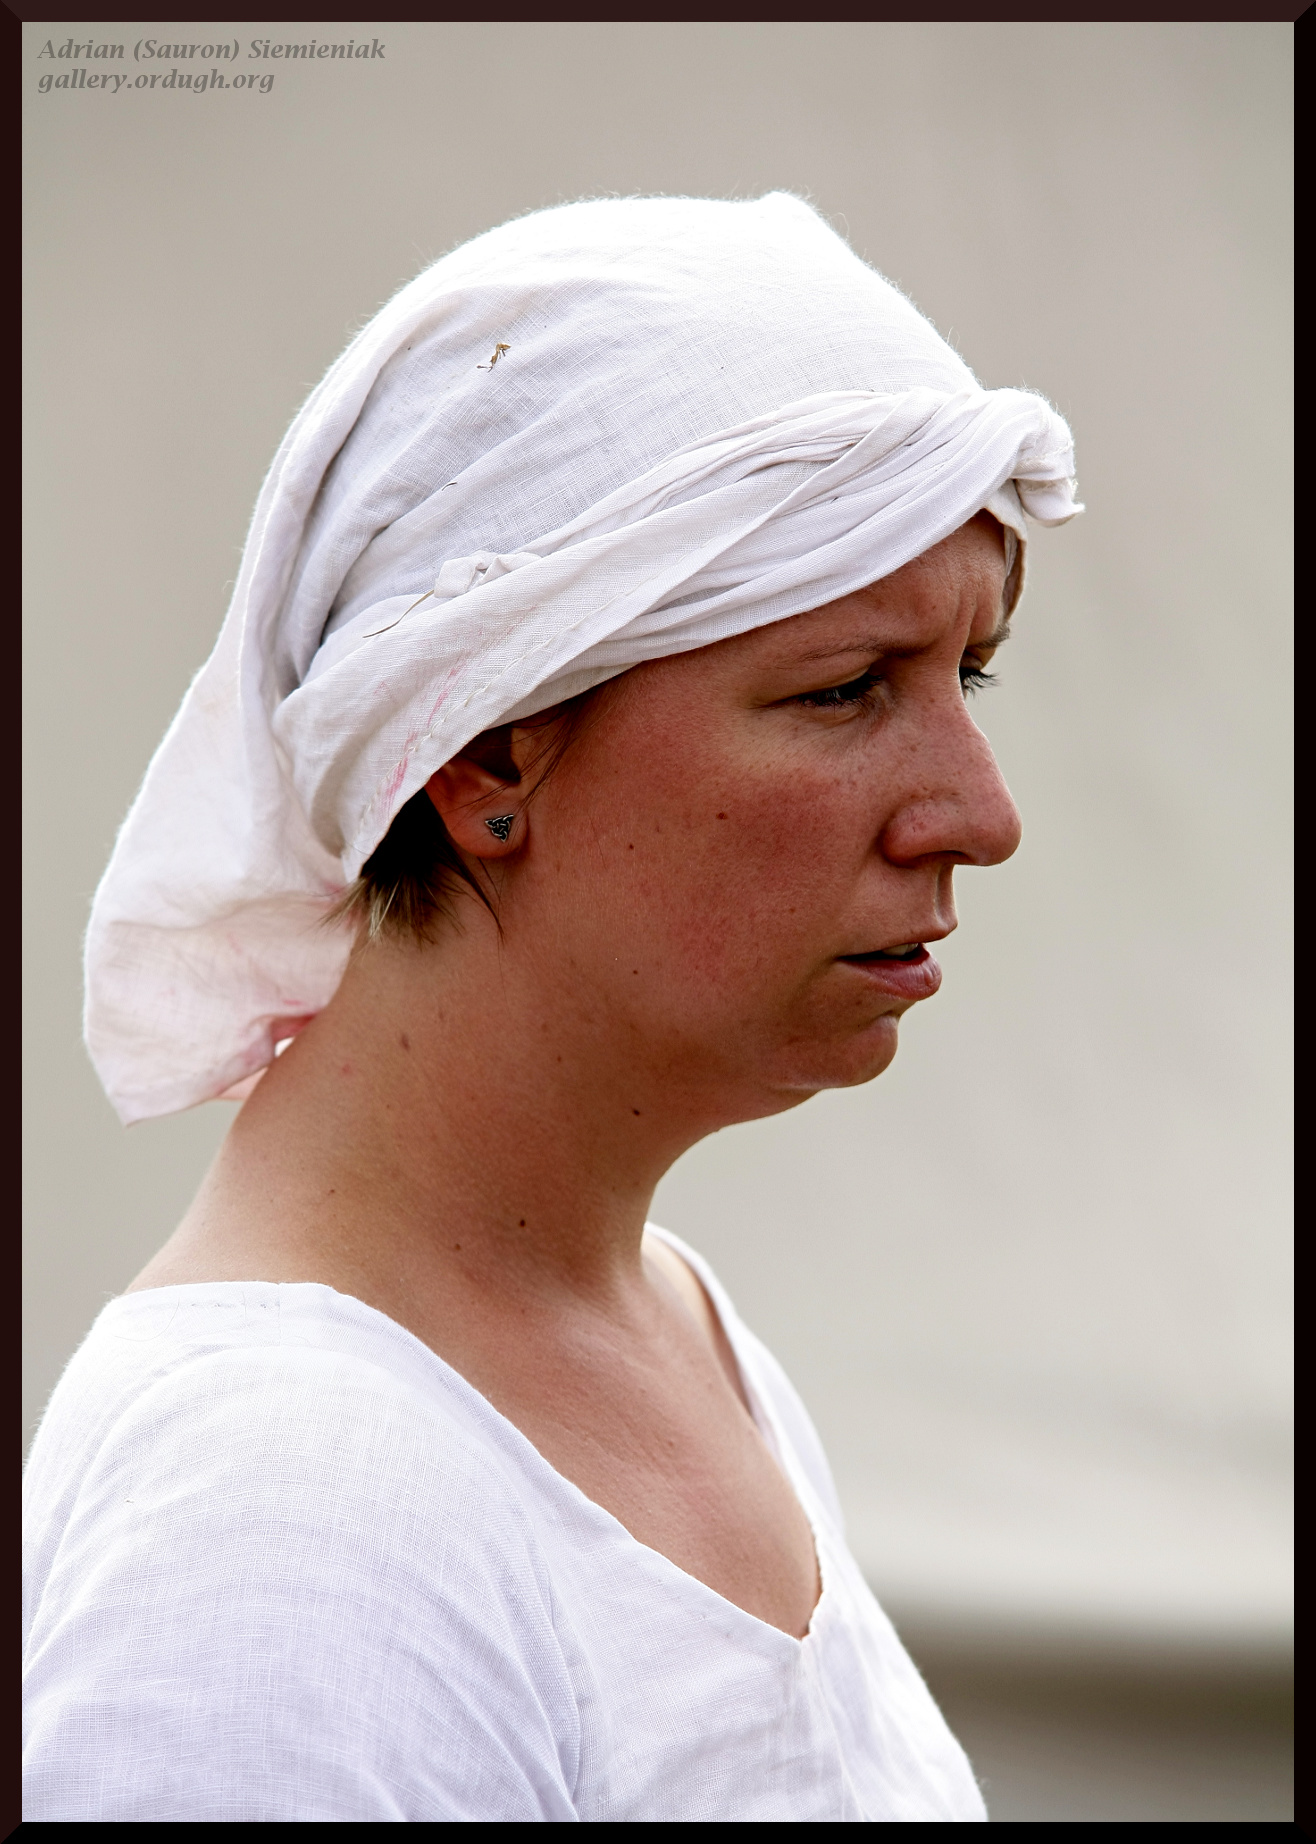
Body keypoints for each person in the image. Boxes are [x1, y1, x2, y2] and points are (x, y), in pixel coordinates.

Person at [23, 194, 1079, 1821]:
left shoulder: (669, 1323)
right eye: (843, 688)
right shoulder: (282, 1513)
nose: (981, 814)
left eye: (969, 673)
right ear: (483, 755)